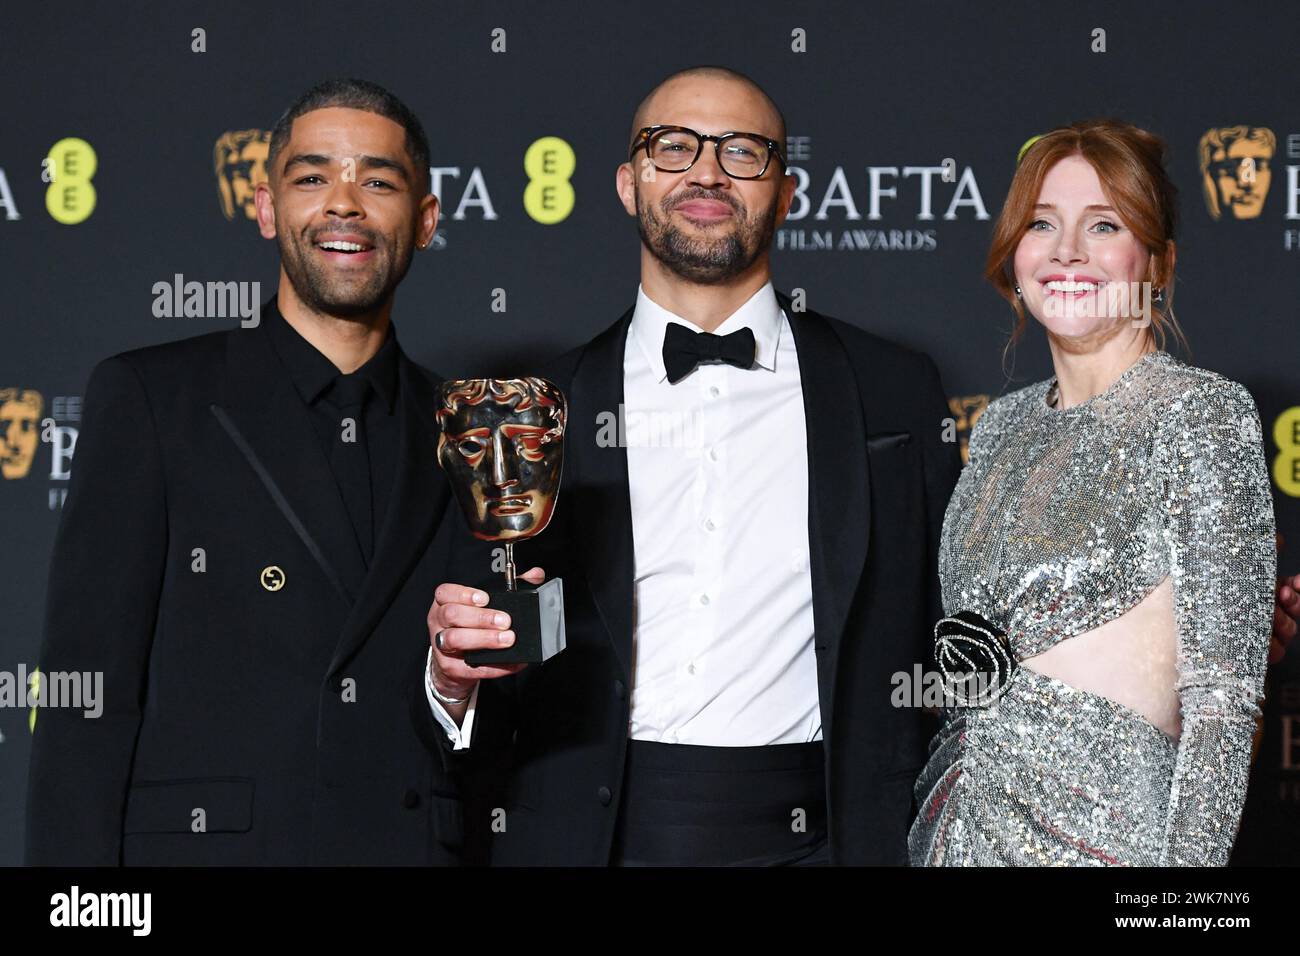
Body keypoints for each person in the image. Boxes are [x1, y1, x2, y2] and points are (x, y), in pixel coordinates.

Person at [420, 66, 963, 866]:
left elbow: (947, 632)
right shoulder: (537, 408)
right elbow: (480, 652)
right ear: (627, 184)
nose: (705, 171)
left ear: (787, 193)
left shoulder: (894, 388)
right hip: (594, 836)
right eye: (672, 148)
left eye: (742, 152)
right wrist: (451, 679)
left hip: (832, 837)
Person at [25, 78, 464, 865]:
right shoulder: (152, 400)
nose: (344, 204)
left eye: (377, 180)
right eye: (311, 177)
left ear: (426, 220)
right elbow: (84, 705)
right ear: (265, 209)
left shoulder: (468, 427)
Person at [908, 119, 1278, 866]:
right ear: (1014, 254)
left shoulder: (1199, 415)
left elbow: (1223, 706)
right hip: (963, 833)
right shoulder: (1006, 424)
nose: (1067, 250)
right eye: (1042, 224)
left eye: (1103, 225)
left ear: (1159, 262)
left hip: (1110, 851)